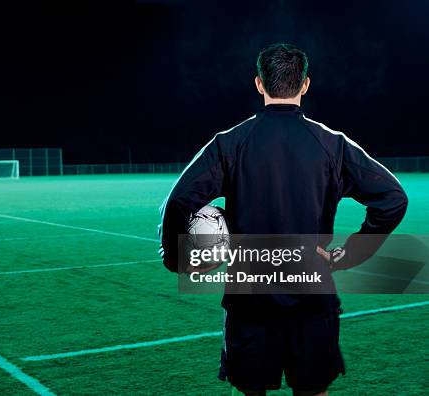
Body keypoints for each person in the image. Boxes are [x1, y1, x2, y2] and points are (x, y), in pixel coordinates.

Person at [158, 43, 408, 395]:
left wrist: (177, 259)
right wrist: (349, 254)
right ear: (305, 85)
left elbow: (180, 200)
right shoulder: (331, 144)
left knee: (248, 389)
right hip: (312, 300)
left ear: (259, 84)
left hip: (250, 303)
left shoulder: (230, 143)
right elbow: (393, 198)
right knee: (312, 390)